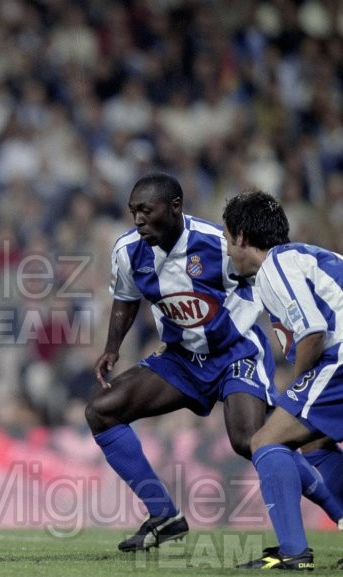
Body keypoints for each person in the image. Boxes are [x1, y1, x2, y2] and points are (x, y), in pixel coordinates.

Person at [85, 173, 343, 553]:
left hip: (236, 352)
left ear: (175, 208)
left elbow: (265, 278)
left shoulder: (215, 244)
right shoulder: (127, 250)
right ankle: (164, 515)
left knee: (250, 441)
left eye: (145, 210)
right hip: (182, 360)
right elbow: (125, 297)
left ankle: (335, 511)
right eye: (133, 211)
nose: (137, 220)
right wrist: (112, 346)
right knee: (101, 411)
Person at [223, 190, 343, 570]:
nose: (227, 250)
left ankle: (293, 552)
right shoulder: (309, 258)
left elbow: (311, 332)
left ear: (242, 237)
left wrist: (294, 388)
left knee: (265, 440)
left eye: (227, 240)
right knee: (314, 441)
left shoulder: (275, 266)